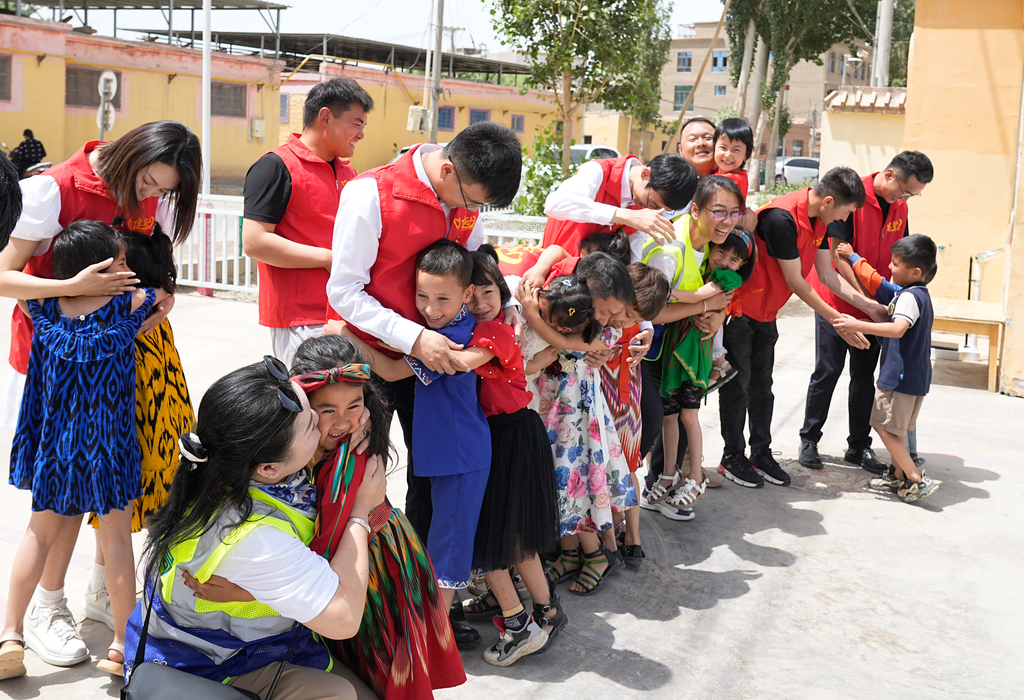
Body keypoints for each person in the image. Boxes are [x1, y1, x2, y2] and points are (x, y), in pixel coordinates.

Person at [0, 121, 201, 666]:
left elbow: (156, 273)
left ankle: (72, 608)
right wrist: (73, 288)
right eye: (149, 182)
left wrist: (163, 296)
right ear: (132, 156)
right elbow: (4, 275)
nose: (151, 197)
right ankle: (53, 610)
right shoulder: (53, 189)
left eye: (162, 190)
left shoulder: (55, 313)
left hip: (127, 368)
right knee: (77, 521)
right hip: (58, 378)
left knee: (62, 517)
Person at [326, 121, 521, 649]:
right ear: (449, 169)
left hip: (430, 362)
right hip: (374, 359)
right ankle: (343, 607)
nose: (469, 211)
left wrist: (503, 308)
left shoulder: (465, 196)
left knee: (429, 485)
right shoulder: (370, 193)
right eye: (471, 200)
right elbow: (344, 291)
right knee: (358, 477)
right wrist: (414, 338)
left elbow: (477, 265)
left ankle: (419, 605)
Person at [124, 359, 381, 699]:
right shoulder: (251, 535)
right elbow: (343, 619)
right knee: (340, 694)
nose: (323, 423)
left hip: (249, 643)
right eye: (311, 423)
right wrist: (360, 511)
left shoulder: (230, 463)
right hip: (214, 665)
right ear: (270, 468)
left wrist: (351, 418)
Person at [1, 221, 162, 681]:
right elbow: (159, 300)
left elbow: (17, 283)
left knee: (38, 535)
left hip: (57, 448)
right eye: (121, 263)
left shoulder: (41, 305)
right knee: (116, 542)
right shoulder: (133, 304)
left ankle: (10, 635)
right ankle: (122, 647)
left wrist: (66, 285)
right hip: (111, 448)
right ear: (99, 270)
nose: (129, 271)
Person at [719, 167, 885, 490]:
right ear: (828, 201)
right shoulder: (781, 218)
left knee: (763, 387)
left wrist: (869, 307)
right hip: (741, 309)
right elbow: (797, 281)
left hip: (767, 312)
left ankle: (760, 452)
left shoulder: (822, 218)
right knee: (738, 386)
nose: (846, 219)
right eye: (846, 212)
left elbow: (826, 273)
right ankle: (732, 456)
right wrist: (838, 321)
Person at [457, 247, 565, 667]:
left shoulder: (494, 331)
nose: (480, 302)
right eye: (470, 295)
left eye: (488, 292)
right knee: (515, 537)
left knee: (494, 537)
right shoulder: (498, 325)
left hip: (509, 436)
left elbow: (460, 363)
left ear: (501, 292)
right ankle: (547, 611)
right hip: (514, 431)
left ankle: (524, 623)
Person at [799, 151, 934, 474]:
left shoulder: (900, 207)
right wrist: (865, 302)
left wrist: (884, 301)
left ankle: (858, 446)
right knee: (827, 371)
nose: (905, 198)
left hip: (876, 308)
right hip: (837, 302)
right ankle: (809, 439)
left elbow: (902, 255)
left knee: (864, 377)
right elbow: (838, 255)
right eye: (905, 190)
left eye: (912, 195)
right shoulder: (852, 195)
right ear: (889, 175)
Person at [521, 252, 637, 596]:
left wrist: (531, 312)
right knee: (556, 481)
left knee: (576, 483)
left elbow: (563, 342)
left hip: (577, 417)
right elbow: (559, 249)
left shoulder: (604, 333)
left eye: (612, 312)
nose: (605, 318)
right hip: (551, 409)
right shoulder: (567, 300)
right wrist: (540, 268)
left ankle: (596, 555)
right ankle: (570, 554)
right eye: (603, 309)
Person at [243, 77, 374, 365]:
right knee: (313, 393)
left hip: (347, 310)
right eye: (356, 124)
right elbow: (255, 241)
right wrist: (329, 258)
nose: (361, 134)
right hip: (302, 318)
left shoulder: (349, 173)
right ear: (325, 117)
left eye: (363, 126)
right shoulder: (276, 166)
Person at [637, 176, 744, 520]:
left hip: (678, 348)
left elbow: (722, 291)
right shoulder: (671, 248)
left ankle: (674, 481)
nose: (727, 221)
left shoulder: (713, 247)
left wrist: (718, 313)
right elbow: (652, 309)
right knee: (656, 419)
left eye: (734, 212)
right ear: (695, 210)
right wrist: (705, 306)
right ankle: (655, 484)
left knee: (679, 417)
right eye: (719, 211)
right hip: (649, 345)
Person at [832, 235, 940, 503]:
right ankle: (898, 476)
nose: (890, 268)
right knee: (896, 429)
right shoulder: (917, 294)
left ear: (915, 272)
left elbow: (898, 328)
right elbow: (877, 281)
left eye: (895, 264)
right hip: (915, 376)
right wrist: (853, 257)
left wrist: (857, 325)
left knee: (883, 426)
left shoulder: (908, 298)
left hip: (898, 376)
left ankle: (916, 478)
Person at [542, 152, 698, 254]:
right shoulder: (598, 170)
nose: (649, 209)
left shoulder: (642, 201)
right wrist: (626, 216)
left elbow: (634, 244)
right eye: (652, 203)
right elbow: (554, 204)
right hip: (551, 270)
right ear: (645, 174)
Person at [712, 118, 754, 197]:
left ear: (746, 155)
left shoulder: (735, 181)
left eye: (736, 150)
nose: (727, 155)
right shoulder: (714, 171)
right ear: (714, 148)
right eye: (723, 148)